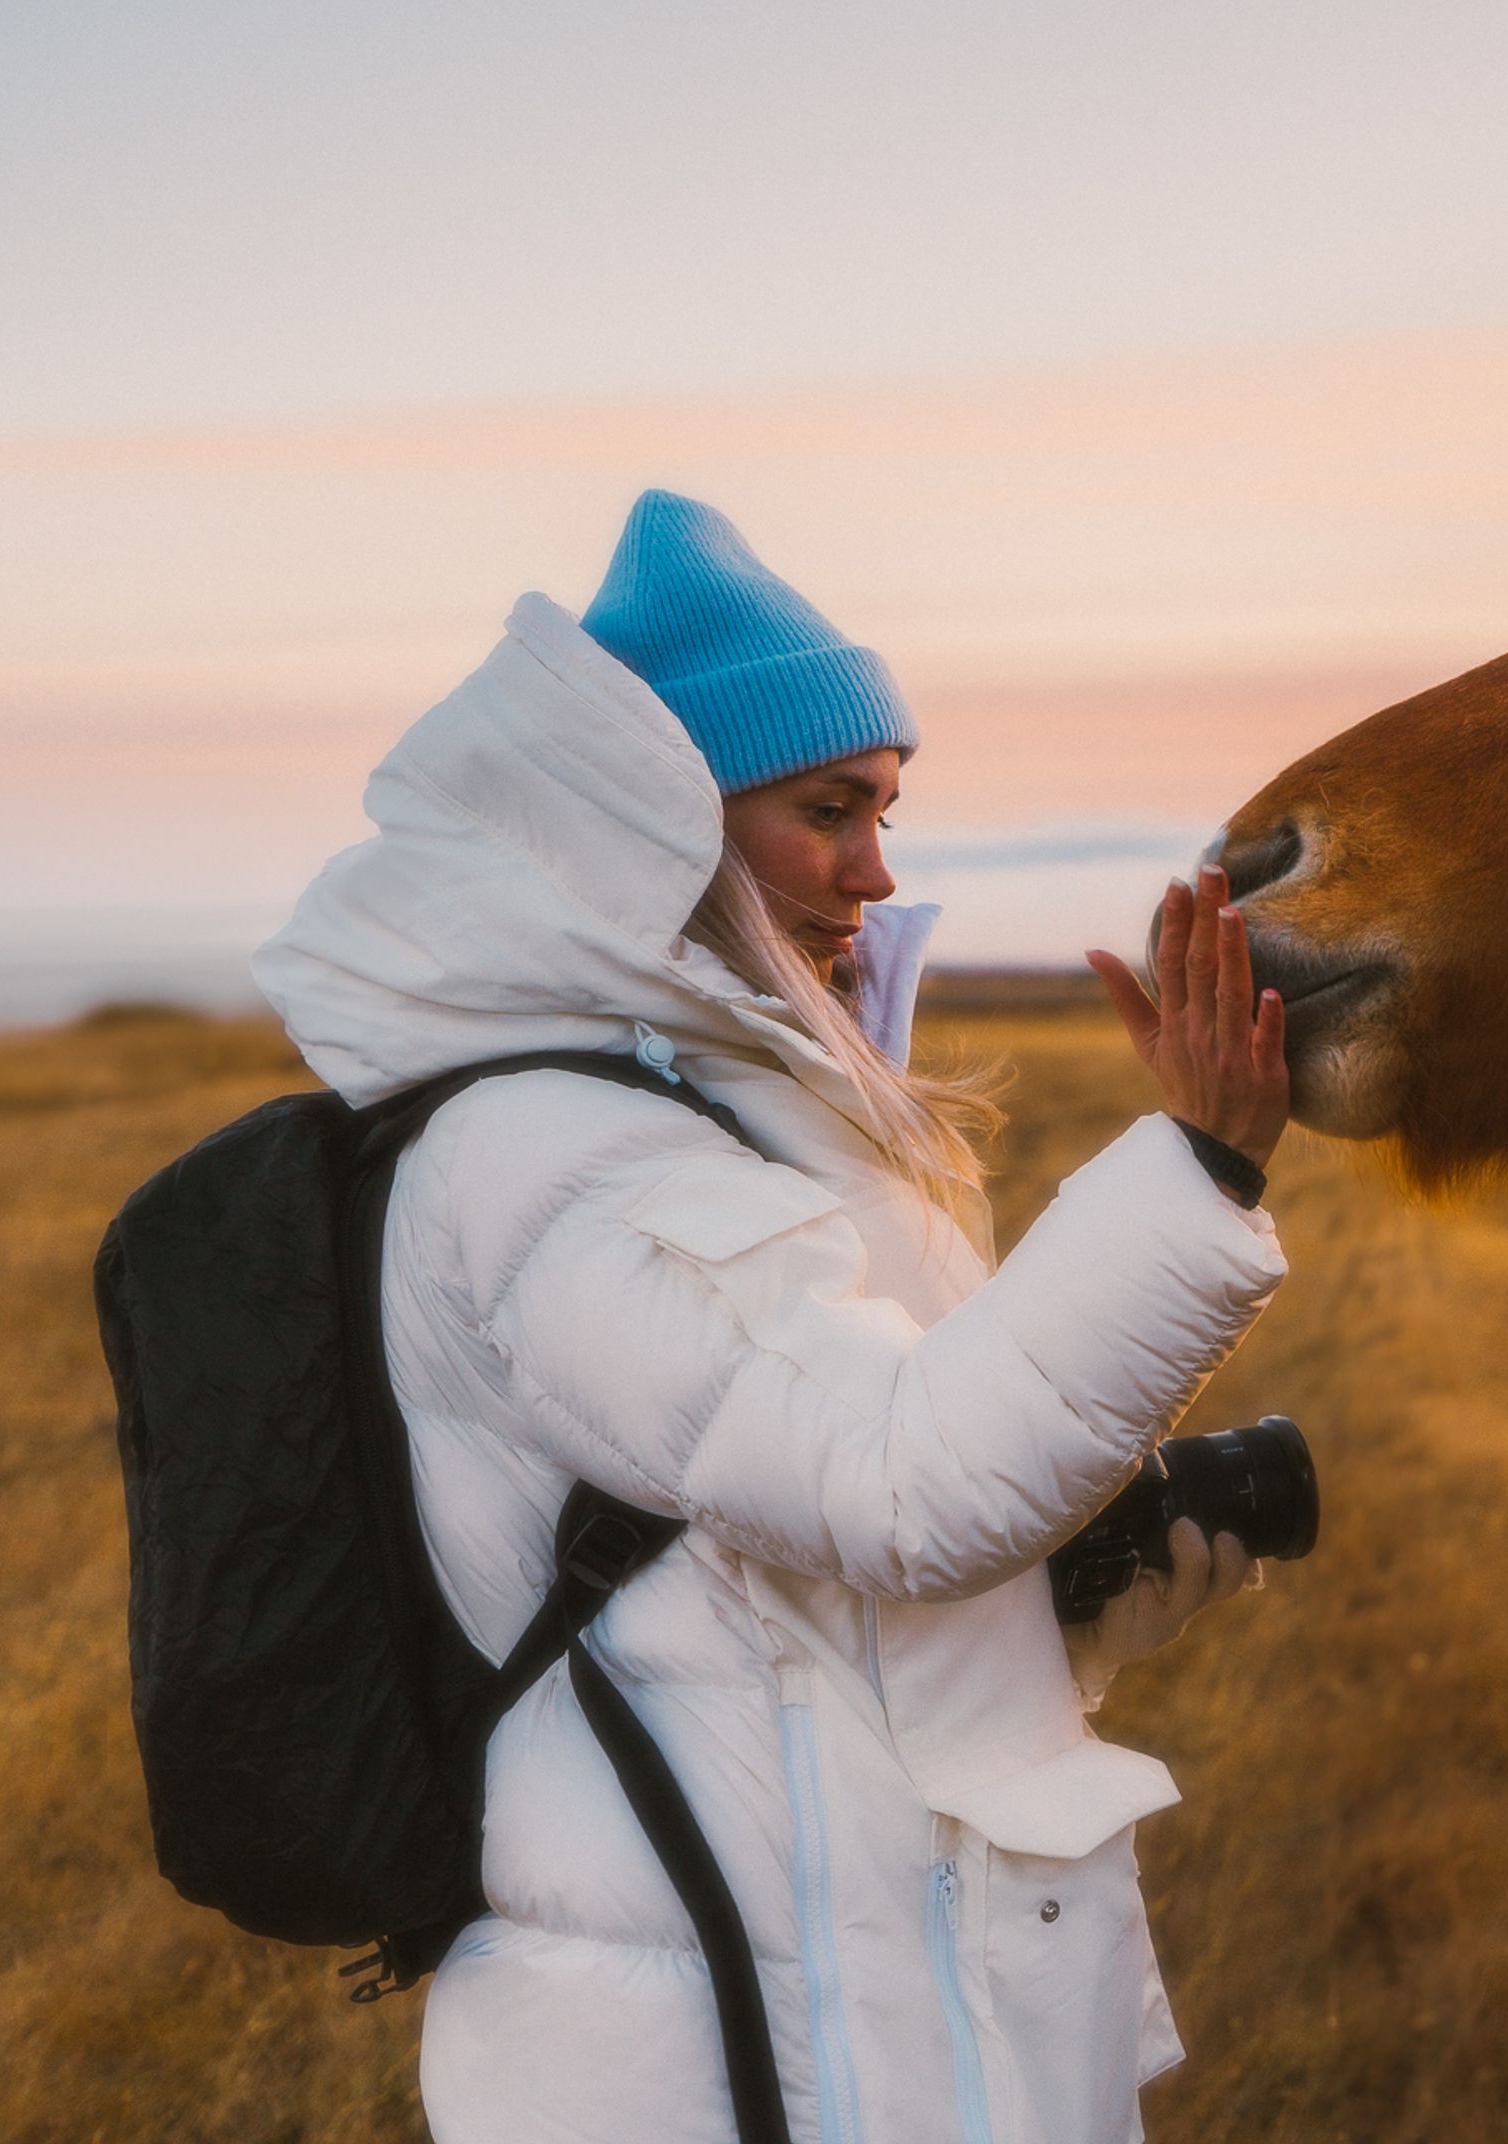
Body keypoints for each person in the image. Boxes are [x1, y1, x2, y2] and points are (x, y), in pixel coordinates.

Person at [253, 489, 1289, 2144]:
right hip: (709, 2065)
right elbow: (901, 1485)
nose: (879, 871)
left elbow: (801, 1612)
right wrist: (1205, 1165)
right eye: (832, 810)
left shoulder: (725, 1120)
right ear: (658, 824)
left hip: (863, 2011)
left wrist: (1082, 1594)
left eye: (890, 810)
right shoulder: (552, 1159)